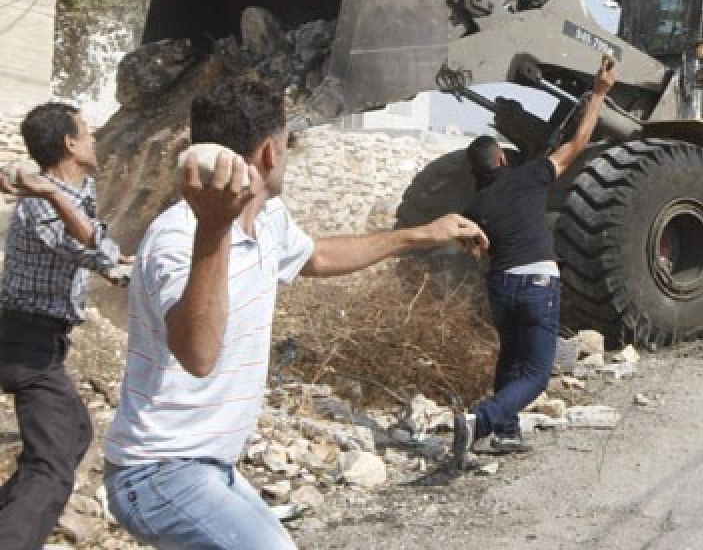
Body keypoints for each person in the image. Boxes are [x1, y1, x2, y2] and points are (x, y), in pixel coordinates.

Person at [102, 80, 487, 550]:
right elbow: (198, 355)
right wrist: (214, 229)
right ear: (269, 151)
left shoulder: (268, 218)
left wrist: (419, 235)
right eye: (286, 144)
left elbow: (316, 258)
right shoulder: (178, 240)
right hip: (159, 473)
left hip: (210, 466)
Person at [451, 57, 616, 468]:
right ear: (502, 159)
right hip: (538, 283)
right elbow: (577, 144)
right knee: (537, 374)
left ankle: (505, 433)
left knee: (511, 356)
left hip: (501, 286)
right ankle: (481, 421)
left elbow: (477, 249)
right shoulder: (529, 176)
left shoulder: (475, 205)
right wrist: (598, 93)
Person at [0, 102, 126, 550]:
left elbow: (98, 243)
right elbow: (93, 252)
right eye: (87, 133)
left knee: (75, 430)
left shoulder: (72, 193)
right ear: (70, 144)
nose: (95, 140)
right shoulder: (45, 201)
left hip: (39, 342)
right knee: (51, 467)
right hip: (24, 343)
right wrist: (119, 267)